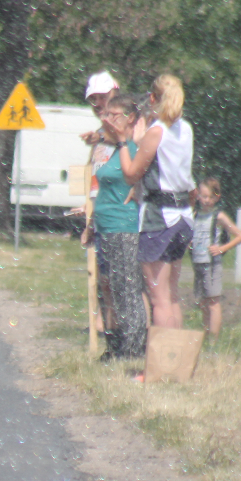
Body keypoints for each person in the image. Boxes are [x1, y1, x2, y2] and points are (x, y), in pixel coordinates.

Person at [110, 75, 195, 329]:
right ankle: (176, 359)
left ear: (152, 99)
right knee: (172, 295)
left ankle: (160, 364)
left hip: (159, 217)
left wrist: (123, 141)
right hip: (183, 215)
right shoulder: (185, 128)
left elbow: (130, 174)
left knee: (159, 299)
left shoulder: (156, 132)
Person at [92, 94, 145, 359]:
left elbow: (135, 176)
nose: (108, 120)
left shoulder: (133, 149)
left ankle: (133, 349)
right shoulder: (110, 148)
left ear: (131, 119)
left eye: (115, 115)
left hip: (123, 226)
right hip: (104, 226)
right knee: (109, 287)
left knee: (127, 289)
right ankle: (114, 346)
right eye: (107, 115)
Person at [79, 71, 121, 341]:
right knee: (103, 280)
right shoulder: (98, 133)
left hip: (121, 213)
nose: (97, 104)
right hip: (101, 213)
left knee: (121, 282)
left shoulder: (123, 126)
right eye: (93, 100)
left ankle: (126, 338)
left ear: (115, 93)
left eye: (102, 97)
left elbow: (130, 146)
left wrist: (102, 138)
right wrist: (88, 213)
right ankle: (110, 338)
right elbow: (93, 176)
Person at [190, 177, 241, 343]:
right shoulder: (195, 214)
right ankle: (206, 335)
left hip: (212, 264)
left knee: (213, 301)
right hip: (198, 262)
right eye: (202, 196)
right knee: (203, 302)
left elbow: (240, 236)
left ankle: (213, 340)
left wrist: (222, 248)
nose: (205, 200)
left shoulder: (218, 216)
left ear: (216, 197)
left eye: (209, 197)